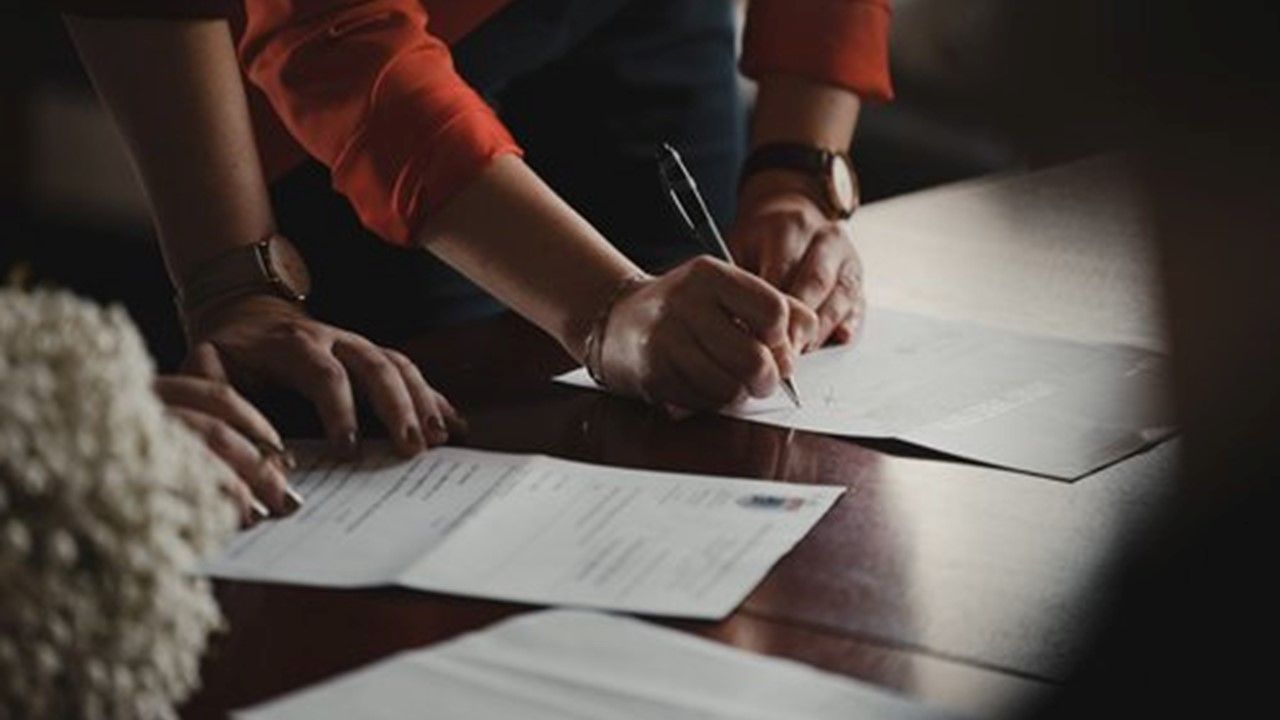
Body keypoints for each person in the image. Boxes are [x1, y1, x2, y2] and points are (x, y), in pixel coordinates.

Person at [60, 1, 890, 465]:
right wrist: (604, 307)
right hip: (358, 70)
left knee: (703, 397)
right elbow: (333, 34)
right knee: (430, 452)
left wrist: (795, 175)